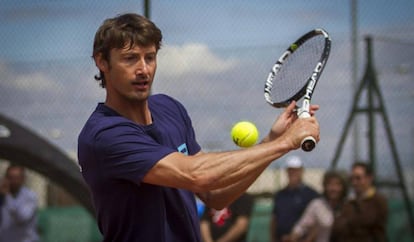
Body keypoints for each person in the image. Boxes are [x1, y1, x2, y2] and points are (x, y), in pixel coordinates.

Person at [77, 13, 320, 242]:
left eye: (150, 57)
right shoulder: (104, 135)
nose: (143, 69)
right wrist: (285, 143)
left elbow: (215, 195)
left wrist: (271, 141)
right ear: (102, 62)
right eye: (130, 58)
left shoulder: (170, 108)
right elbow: (198, 175)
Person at [282, 170, 348, 242]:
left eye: (337, 184)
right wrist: (292, 237)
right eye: (330, 184)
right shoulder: (317, 205)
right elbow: (301, 226)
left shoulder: (348, 206)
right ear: (325, 186)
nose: (333, 188)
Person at [332, 162, 388, 242]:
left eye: (358, 178)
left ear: (369, 178)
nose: (354, 182)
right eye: (352, 178)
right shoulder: (349, 202)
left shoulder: (378, 201)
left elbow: (377, 231)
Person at [270, 156, 319, 242]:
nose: (293, 173)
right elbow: (274, 219)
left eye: (296, 170)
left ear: (301, 171)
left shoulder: (311, 194)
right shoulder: (280, 195)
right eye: (290, 170)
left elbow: (316, 222)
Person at [0, 164, 39, 242]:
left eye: (16, 178)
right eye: (10, 178)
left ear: (23, 179)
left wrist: (7, 196)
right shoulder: (2, 196)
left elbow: (21, 217)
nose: (13, 181)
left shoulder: (30, 196)